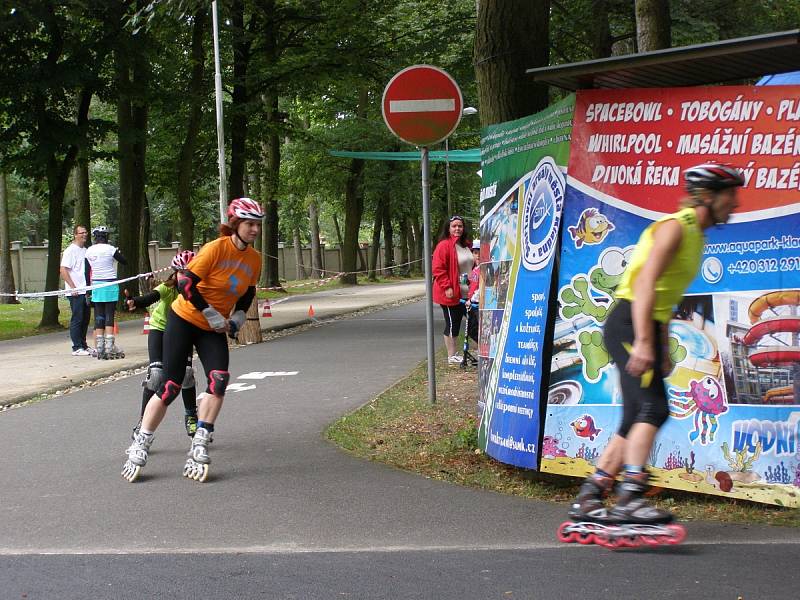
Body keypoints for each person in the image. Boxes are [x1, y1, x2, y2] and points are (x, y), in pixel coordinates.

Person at [570, 163, 743, 525]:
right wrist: (645, 341)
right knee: (654, 409)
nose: (736, 204)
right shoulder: (675, 228)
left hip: (642, 322)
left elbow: (664, 298)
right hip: (630, 321)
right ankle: (631, 496)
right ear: (708, 197)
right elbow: (646, 282)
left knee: (636, 414)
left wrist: (660, 346)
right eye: (730, 196)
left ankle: (591, 494)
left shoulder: (696, 235)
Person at [122, 198, 263, 483]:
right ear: (235, 224)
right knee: (171, 384)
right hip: (184, 319)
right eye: (249, 224)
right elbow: (186, 283)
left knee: (219, 379)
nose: (255, 230)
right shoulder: (215, 248)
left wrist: (237, 318)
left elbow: (247, 293)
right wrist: (209, 312)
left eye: (258, 225)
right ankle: (142, 441)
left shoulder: (254, 259)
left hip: (213, 328)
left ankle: (201, 438)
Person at [126, 250, 198, 439]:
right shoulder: (168, 288)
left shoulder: (199, 290)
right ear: (175, 273)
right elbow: (152, 297)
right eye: (181, 273)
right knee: (157, 376)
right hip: (160, 329)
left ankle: (191, 416)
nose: (185, 277)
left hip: (183, 332)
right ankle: (143, 422)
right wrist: (135, 301)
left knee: (187, 374)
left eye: (189, 272)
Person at [432, 215, 473, 366]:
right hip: (450, 292)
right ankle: (452, 355)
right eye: (454, 226)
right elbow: (438, 268)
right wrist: (447, 286)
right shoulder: (443, 246)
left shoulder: (466, 245)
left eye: (460, 226)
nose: (457, 229)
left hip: (467, 291)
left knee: (473, 321)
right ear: (448, 228)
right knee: (452, 322)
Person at [85, 226, 127, 360]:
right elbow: (124, 261)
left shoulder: (89, 251)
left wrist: (88, 289)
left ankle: (100, 346)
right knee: (109, 314)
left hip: (96, 284)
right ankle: (109, 346)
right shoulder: (111, 249)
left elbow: (87, 271)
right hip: (110, 283)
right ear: (106, 237)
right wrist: (117, 253)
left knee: (99, 315)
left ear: (95, 237)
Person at [59, 225, 92, 356]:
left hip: (86, 290)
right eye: (81, 233)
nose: (84, 235)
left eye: (85, 232)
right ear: (75, 235)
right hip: (76, 292)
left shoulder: (85, 250)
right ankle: (76, 347)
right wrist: (73, 287)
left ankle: (83, 345)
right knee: (77, 318)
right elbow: (63, 270)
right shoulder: (70, 251)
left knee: (85, 318)